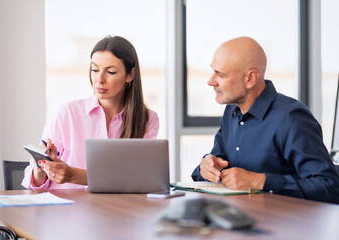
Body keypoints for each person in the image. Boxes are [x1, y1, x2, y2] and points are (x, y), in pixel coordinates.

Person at [191, 36, 339, 203]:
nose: (210, 81)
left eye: (220, 75)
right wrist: (206, 167)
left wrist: (260, 181)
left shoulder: (291, 118)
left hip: (286, 225)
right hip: (239, 218)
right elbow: (217, 164)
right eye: (213, 71)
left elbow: (330, 187)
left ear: (250, 79)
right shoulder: (231, 112)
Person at [22, 36, 159, 189]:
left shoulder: (147, 119)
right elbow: (34, 183)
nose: (99, 79)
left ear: (130, 75)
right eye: (94, 69)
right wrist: (41, 171)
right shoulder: (66, 113)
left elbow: (139, 178)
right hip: (66, 209)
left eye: (111, 72)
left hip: (117, 210)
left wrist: (73, 175)